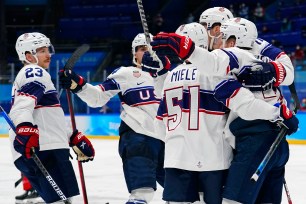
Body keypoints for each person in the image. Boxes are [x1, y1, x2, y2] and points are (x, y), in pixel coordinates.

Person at [148, 19, 299, 204]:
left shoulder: (174, 75)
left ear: (233, 41)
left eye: (220, 37)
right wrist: (281, 113)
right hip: (218, 157)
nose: (217, 41)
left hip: (179, 158)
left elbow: (159, 125)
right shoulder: (232, 68)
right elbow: (247, 104)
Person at [58, 33, 167, 204]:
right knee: (142, 193)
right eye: (141, 49)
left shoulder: (170, 75)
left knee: (181, 194)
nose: (146, 52)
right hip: (139, 137)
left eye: (150, 49)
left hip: (168, 142)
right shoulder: (126, 73)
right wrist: (78, 85)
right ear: (134, 54)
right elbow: (98, 97)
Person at [9, 32, 95, 203]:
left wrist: (72, 136)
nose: (48, 54)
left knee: (61, 201)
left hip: (41, 147)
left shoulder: (29, 73)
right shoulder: (34, 71)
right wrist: (25, 128)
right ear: (28, 56)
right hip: (46, 148)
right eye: (41, 51)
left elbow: (46, 118)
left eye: (47, 49)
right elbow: (23, 106)